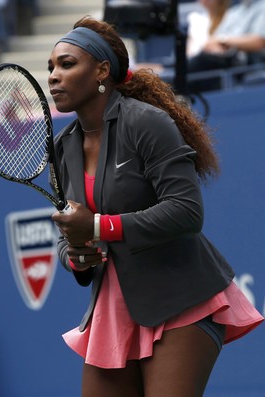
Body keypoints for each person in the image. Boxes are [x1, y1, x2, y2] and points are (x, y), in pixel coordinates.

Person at [49, 16, 264, 397]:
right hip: (113, 309)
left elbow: (186, 210)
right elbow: (75, 238)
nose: (54, 75)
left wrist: (99, 227)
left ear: (102, 70)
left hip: (181, 300)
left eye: (67, 64)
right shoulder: (64, 147)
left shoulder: (147, 123)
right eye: (51, 67)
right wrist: (78, 256)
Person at [188, 0, 265, 88]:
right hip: (225, 61)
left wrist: (223, 42)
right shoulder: (235, 11)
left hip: (248, 66)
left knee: (199, 63)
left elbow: (259, 41)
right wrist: (218, 44)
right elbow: (215, 39)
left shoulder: (262, 7)